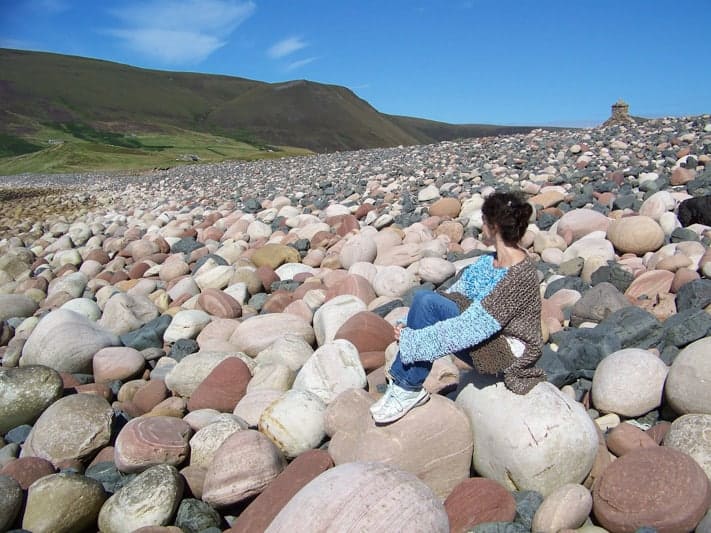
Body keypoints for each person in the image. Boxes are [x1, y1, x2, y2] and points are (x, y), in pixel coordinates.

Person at [370, 191, 546, 424]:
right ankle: (404, 385)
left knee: (427, 304)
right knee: (425, 300)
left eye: (484, 222)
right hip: (486, 336)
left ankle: (408, 388)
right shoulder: (488, 262)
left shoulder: (518, 277)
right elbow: (453, 297)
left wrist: (413, 339)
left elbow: (470, 328)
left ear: (494, 227)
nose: (481, 228)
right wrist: (410, 327)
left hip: (508, 353)